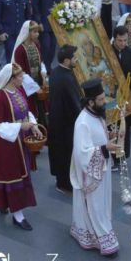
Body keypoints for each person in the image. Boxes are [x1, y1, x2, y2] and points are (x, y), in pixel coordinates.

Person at [0, 63, 42, 230]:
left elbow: (27, 111)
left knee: (18, 174)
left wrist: (33, 125)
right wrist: (18, 127)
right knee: (12, 176)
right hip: (7, 144)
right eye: (19, 77)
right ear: (11, 79)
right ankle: (18, 215)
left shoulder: (19, 90)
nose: (22, 79)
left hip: (21, 140)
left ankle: (5, 204)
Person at [70, 78, 121, 256]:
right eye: (100, 99)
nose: (104, 101)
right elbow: (82, 152)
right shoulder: (82, 121)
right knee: (95, 205)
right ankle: (101, 237)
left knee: (102, 203)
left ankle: (101, 231)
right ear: (90, 102)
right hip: (91, 174)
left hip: (101, 168)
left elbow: (97, 137)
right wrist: (105, 147)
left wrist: (109, 136)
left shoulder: (97, 114)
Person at [47, 44, 81, 195]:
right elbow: (75, 103)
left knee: (59, 153)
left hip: (56, 120)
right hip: (66, 124)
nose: (77, 60)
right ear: (67, 60)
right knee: (66, 155)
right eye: (74, 58)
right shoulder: (67, 78)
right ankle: (65, 185)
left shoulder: (55, 72)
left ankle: (61, 181)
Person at [110, 26, 131, 160]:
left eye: (125, 40)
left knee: (124, 126)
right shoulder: (107, 52)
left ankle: (121, 154)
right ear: (114, 39)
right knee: (111, 127)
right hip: (110, 96)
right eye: (120, 40)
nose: (123, 43)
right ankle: (111, 155)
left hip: (126, 97)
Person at [12, 20, 48, 131]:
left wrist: (43, 73)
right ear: (27, 33)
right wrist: (35, 88)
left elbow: (41, 61)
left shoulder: (36, 44)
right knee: (32, 110)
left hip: (38, 81)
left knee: (42, 108)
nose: (37, 34)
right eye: (34, 32)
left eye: (37, 32)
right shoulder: (20, 50)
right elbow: (21, 72)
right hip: (26, 85)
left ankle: (42, 133)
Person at [31, 0, 64, 69]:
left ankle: (48, 69)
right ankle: (43, 70)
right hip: (43, 23)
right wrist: (38, 22)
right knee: (45, 47)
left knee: (52, 49)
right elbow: (34, 6)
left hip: (55, 24)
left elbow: (60, 5)